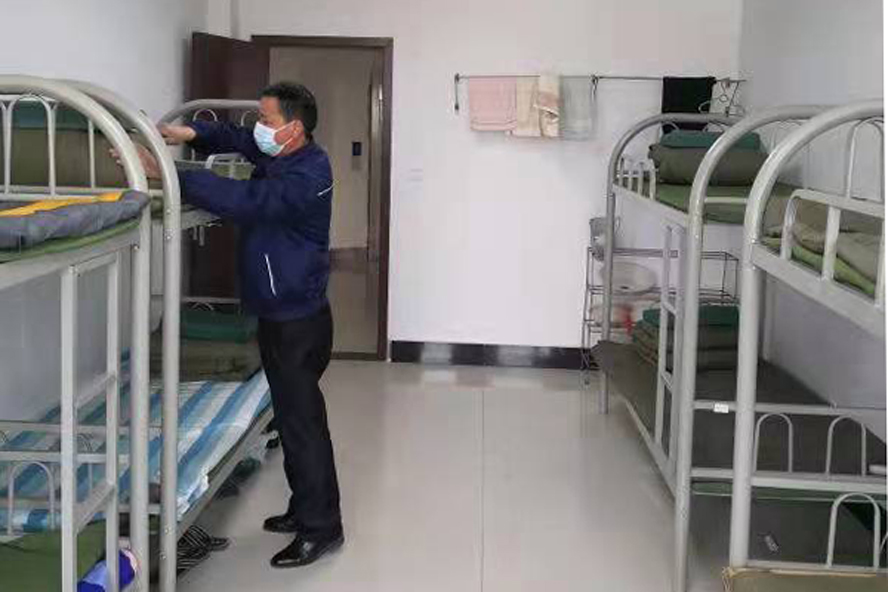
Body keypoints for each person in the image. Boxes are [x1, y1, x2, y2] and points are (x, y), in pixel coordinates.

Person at [133, 82, 343, 568]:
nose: (259, 129)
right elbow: (238, 138)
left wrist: (170, 172)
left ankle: (322, 528)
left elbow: (249, 200)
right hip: (278, 311)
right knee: (289, 420)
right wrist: (190, 132)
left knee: (303, 426)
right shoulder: (282, 153)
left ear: (294, 129)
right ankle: (303, 508)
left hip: (299, 321)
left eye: (267, 120)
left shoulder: (309, 173)